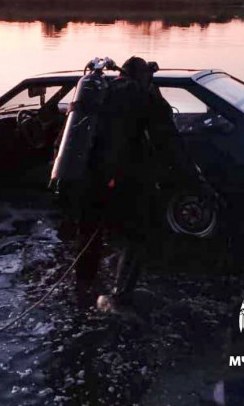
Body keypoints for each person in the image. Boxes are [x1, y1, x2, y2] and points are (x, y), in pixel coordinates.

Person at [72, 56, 206, 308]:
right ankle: (120, 297)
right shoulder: (144, 97)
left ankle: (82, 293)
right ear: (144, 77)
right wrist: (195, 182)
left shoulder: (102, 92)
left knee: (89, 236)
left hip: (89, 179)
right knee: (137, 235)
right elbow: (169, 142)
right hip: (124, 181)